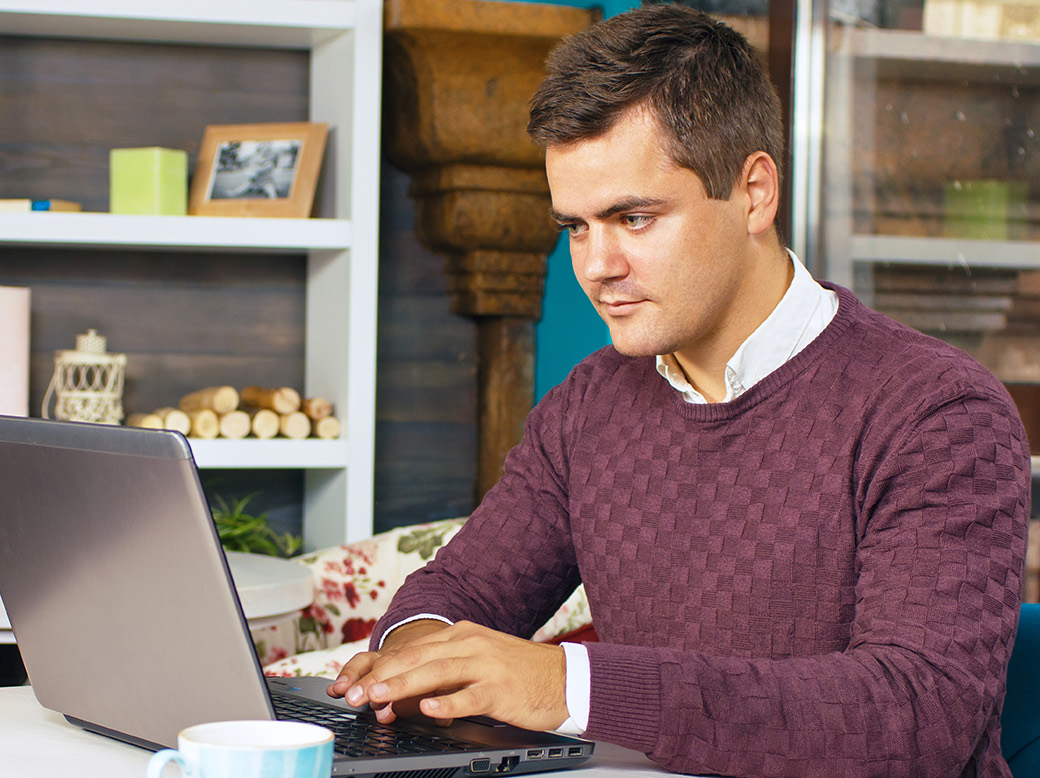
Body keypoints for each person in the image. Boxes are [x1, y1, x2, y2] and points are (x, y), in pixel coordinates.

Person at [327, 4, 1031, 776]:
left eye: (633, 217)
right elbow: (460, 589)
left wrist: (567, 683)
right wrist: (412, 655)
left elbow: (916, 716)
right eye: (576, 226)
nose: (596, 265)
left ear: (755, 192)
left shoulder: (938, 413)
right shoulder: (590, 406)